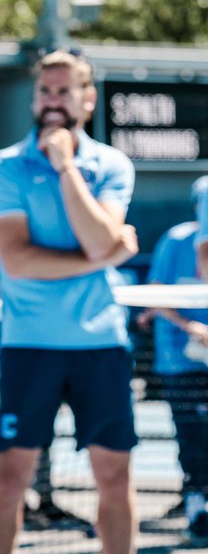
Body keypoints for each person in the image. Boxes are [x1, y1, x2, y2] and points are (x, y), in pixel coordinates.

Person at [0, 49, 140, 554]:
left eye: (64, 91)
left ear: (87, 99)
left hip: (103, 347)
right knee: (11, 478)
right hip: (29, 347)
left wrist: (66, 165)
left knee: (114, 476)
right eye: (45, 91)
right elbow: (18, 262)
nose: (52, 101)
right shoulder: (3, 167)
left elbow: (95, 240)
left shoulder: (111, 165)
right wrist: (105, 257)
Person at [142, 176, 208, 541]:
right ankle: (196, 503)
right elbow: (154, 295)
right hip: (180, 361)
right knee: (191, 434)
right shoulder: (177, 240)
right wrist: (191, 328)